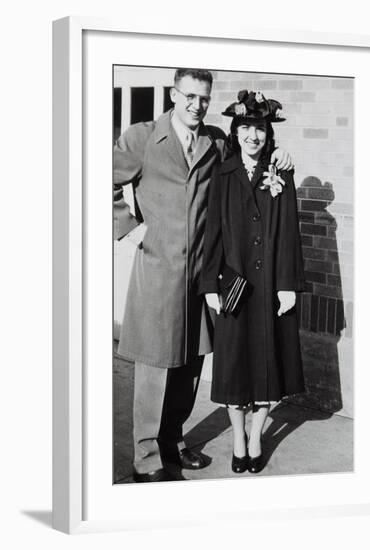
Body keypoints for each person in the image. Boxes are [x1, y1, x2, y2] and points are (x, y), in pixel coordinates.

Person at [113, 69, 294, 482]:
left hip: (202, 273)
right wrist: (129, 227)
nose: (197, 105)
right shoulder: (143, 137)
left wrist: (282, 156)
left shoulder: (214, 139)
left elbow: (251, 152)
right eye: (190, 96)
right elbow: (94, 177)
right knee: (156, 364)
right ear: (175, 94)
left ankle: (173, 444)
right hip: (159, 270)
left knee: (191, 363)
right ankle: (146, 460)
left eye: (204, 98)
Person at [199, 90, 305, 474]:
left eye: (259, 128)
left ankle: (257, 436)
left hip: (271, 288)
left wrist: (288, 284)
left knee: (266, 365)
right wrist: (210, 283)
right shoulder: (223, 174)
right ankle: (238, 436)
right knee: (233, 367)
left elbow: (290, 232)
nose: (252, 136)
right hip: (234, 287)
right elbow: (212, 233)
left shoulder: (281, 172)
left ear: (267, 133)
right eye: (245, 128)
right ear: (236, 131)